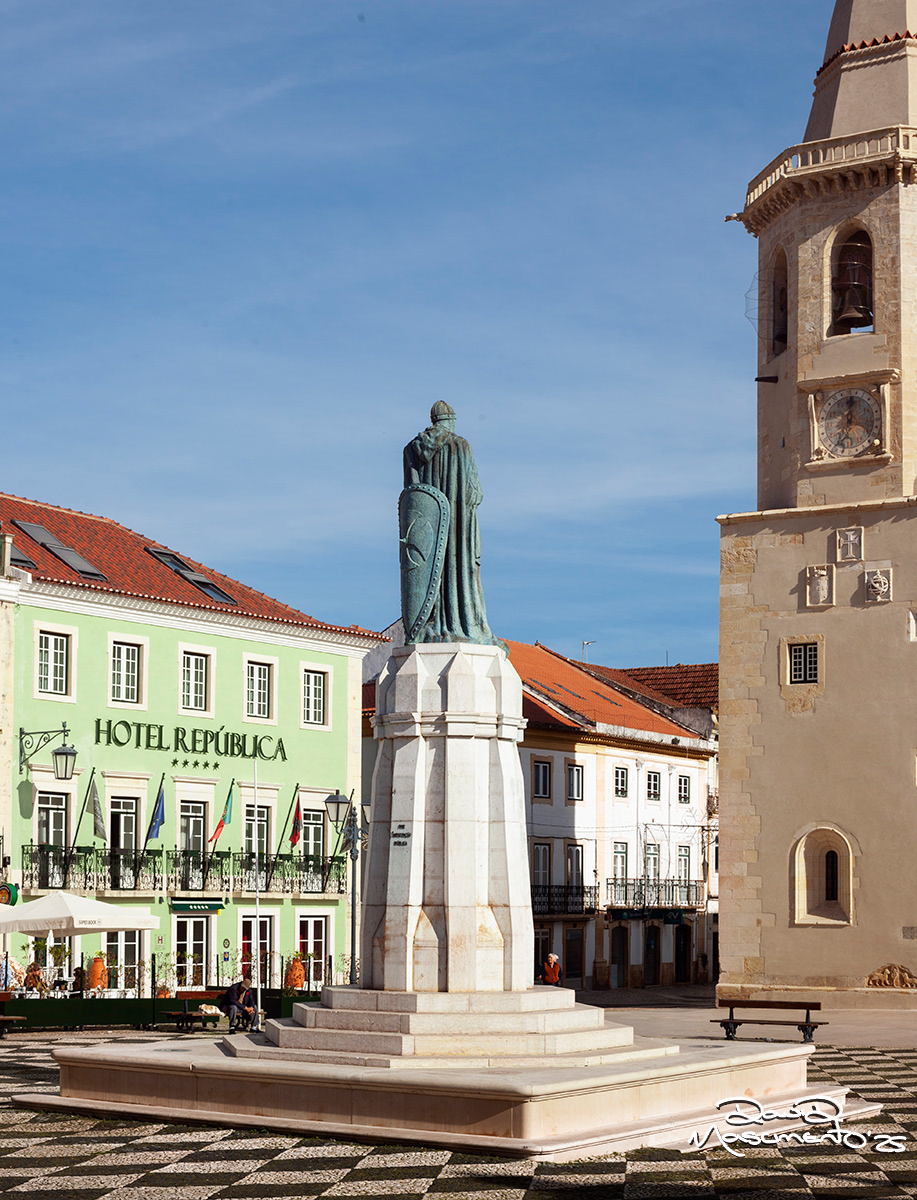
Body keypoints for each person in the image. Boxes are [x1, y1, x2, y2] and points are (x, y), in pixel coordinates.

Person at [401, 402, 504, 648]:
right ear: (451, 420)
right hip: (459, 527)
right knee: (462, 572)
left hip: (427, 533)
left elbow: (414, 494)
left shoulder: (411, 450)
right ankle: (465, 625)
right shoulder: (460, 445)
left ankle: (431, 622)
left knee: (432, 570)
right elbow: (473, 493)